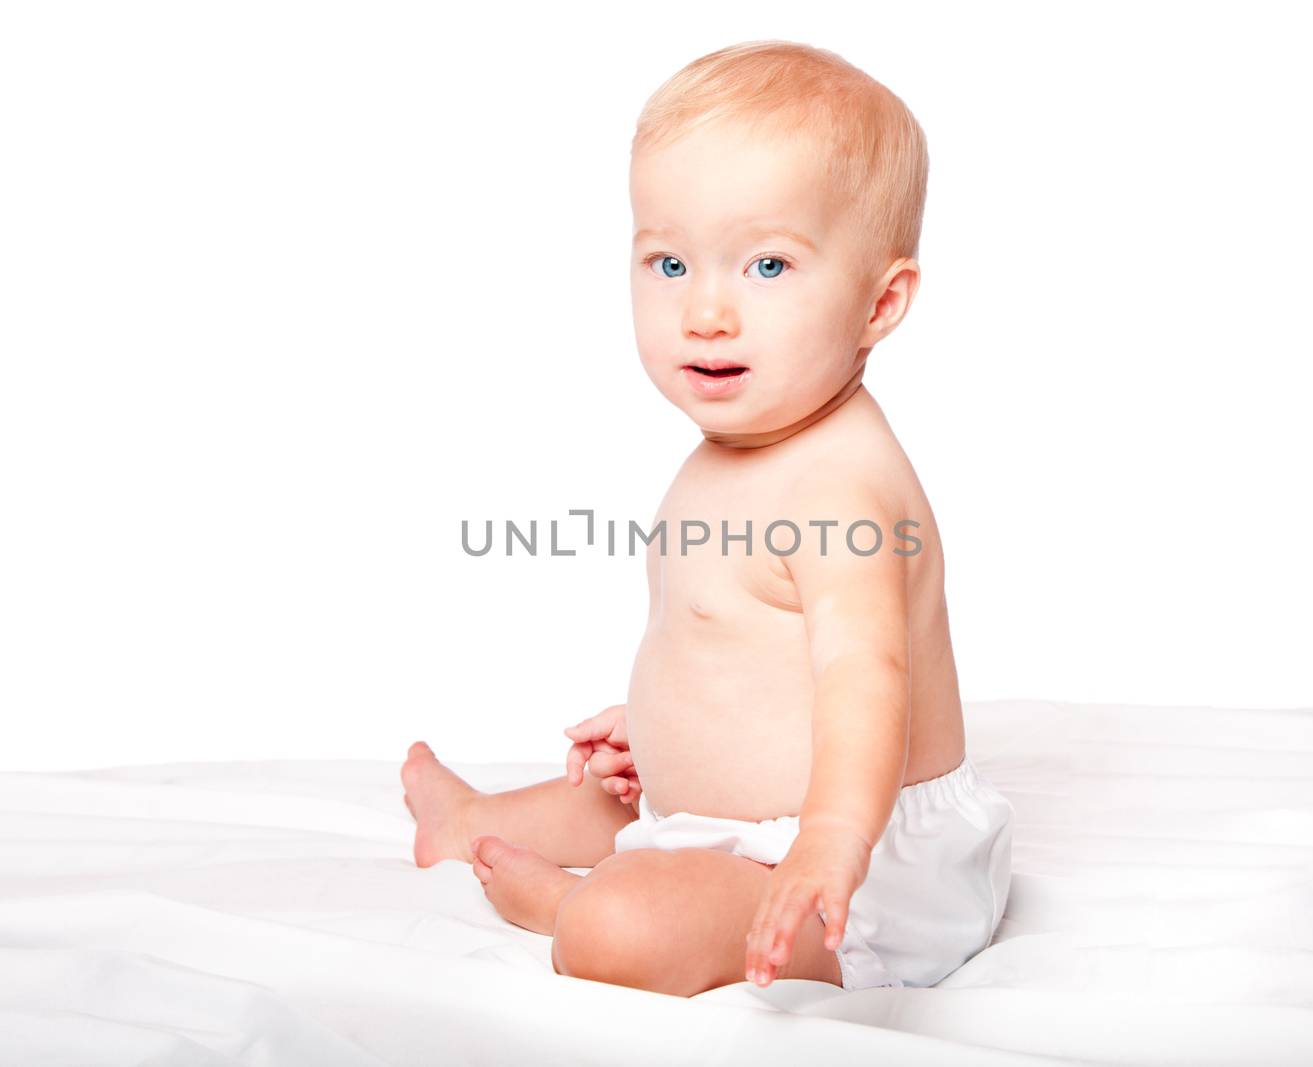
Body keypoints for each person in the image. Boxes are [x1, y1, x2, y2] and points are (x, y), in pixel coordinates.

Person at [402, 39, 1013, 997]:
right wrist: (667, 720)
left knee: (629, 912)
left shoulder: (838, 487)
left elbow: (864, 676)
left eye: (768, 264)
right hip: (755, 821)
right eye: (670, 261)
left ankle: (569, 909)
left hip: (855, 866)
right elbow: (739, 637)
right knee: (609, 801)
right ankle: (474, 818)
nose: (707, 310)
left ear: (880, 301)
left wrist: (830, 842)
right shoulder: (736, 446)